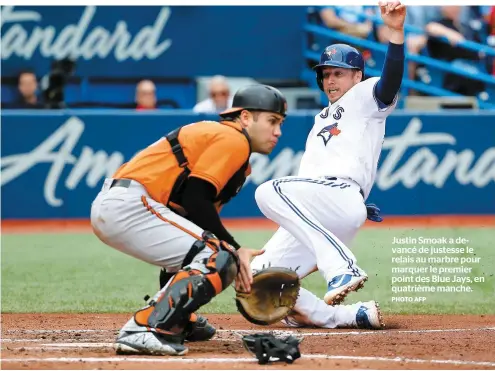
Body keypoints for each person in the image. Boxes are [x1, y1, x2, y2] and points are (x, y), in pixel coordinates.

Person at [90, 84, 287, 356]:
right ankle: (145, 327)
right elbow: (197, 200)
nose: (277, 131)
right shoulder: (233, 139)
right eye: (272, 121)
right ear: (245, 117)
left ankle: (175, 318)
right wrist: (234, 250)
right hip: (131, 204)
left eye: (280, 123)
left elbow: (194, 219)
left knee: (205, 250)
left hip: (121, 203)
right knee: (220, 255)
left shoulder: (225, 141)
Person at [250, 1, 405, 329]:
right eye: (326, 74)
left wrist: (395, 32)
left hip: (339, 196)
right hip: (323, 205)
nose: (330, 80)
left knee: (268, 191)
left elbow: (390, 81)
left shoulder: (365, 96)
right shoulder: (323, 116)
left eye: (338, 72)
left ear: (357, 75)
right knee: (260, 278)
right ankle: (350, 315)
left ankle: (341, 268)